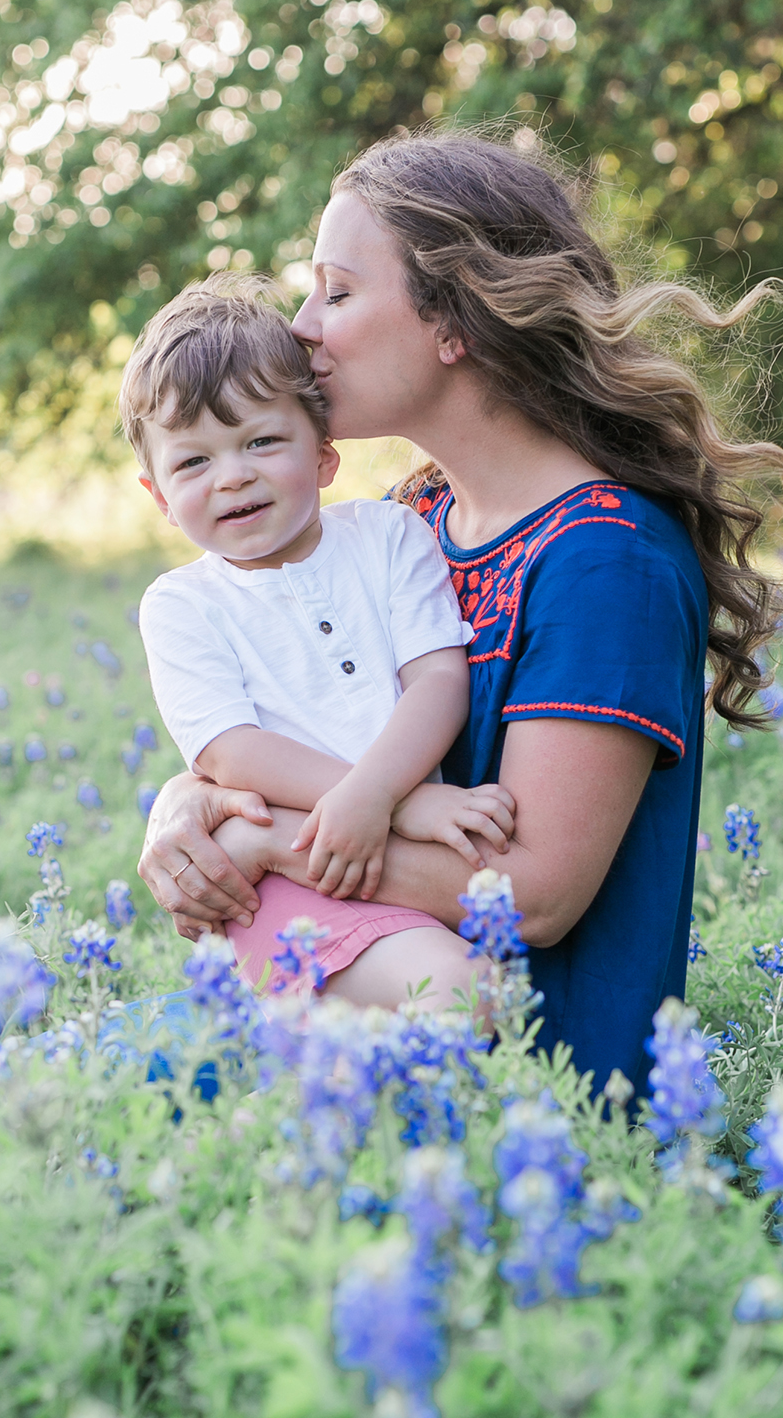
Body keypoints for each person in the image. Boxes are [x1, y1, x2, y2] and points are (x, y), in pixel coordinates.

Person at [139, 129, 783, 1097]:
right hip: (353, 1058)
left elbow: (532, 896)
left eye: (336, 291)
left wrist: (255, 845)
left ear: (453, 324)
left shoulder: (602, 560)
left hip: (538, 1103)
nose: (300, 329)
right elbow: (313, 727)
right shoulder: (416, 525)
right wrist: (189, 802)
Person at [125, 274, 517, 1011]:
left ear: (324, 455)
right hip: (281, 894)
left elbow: (438, 680)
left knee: (411, 1031)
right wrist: (396, 805)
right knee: (468, 997)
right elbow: (228, 752)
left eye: (263, 441)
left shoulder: (389, 535)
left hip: (402, 872)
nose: (233, 475)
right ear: (159, 498)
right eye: (193, 461)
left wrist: (381, 801)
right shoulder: (182, 605)